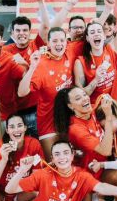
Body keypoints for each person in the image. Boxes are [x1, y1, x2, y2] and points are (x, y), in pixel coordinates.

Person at [17, 27, 75, 160]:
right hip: (48, 123)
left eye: (62, 40)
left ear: (67, 41)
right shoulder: (41, 64)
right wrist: (32, 67)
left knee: (71, 162)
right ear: (48, 43)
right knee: (53, 163)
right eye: (55, 41)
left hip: (69, 121)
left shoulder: (71, 51)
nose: (59, 44)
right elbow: (22, 92)